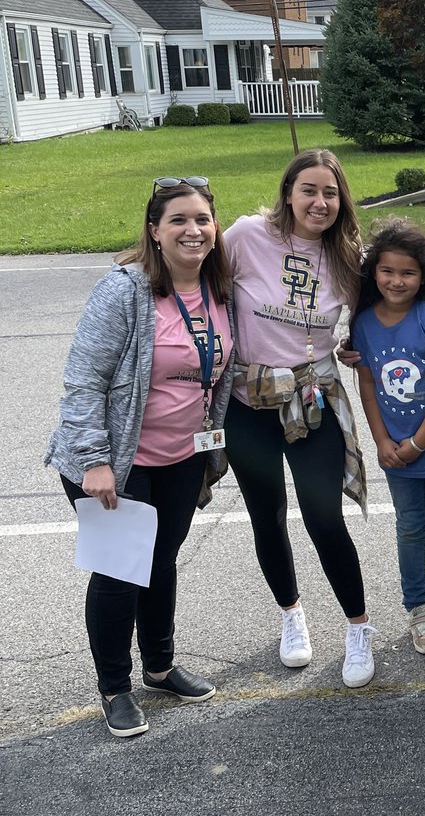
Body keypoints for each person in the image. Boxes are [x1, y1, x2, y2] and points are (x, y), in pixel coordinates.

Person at [45, 177, 234, 738]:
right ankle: (115, 689)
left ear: (214, 228)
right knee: (118, 572)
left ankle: (159, 665)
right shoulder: (124, 290)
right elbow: (83, 381)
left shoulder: (221, 291)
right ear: (154, 231)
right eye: (177, 220)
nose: (192, 230)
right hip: (115, 462)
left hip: (181, 457)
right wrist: (94, 459)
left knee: (160, 563)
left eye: (201, 219)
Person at [223, 149, 376, 686]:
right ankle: (291, 614)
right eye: (308, 189)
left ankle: (358, 628)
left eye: (330, 193)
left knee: (323, 517)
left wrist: (358, 348)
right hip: (249, 403)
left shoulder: (347, 257)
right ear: (288, 192)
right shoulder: (245, 236)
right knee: (267, 516)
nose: (319, 201)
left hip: (312, 402)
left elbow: (364, 323)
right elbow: (202, 287)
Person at [350, 218, 425, 656]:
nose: (396, 281)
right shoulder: (363, 324)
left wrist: (419, 442)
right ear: (374, 273)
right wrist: (382, 442)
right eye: (387, 271)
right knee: (408, 530)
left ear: (424, 276)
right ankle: (418, 610)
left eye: (408, 273)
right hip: (396, 455)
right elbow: (368, 386)